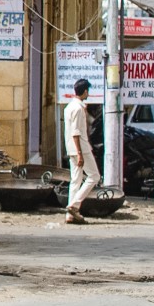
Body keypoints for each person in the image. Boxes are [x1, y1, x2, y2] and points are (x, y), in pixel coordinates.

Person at [63, 78, 98, 224]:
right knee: (94, 176)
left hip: (71, 148)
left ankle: (70, 216)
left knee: (75, 180)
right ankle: (74, 205)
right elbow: (76, 132)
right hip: (80, 148)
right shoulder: (77, 109)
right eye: (87, 91)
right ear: (84, 91)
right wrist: (79, 153)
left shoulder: (70, 107)